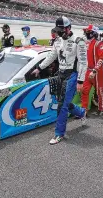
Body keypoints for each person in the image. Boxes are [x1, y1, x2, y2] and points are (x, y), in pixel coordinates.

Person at [30, 16, 87, 145]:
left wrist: (80, 81)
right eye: (58, 30)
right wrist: (39, 68)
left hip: (72, 75)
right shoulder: (57, 41)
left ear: (69, 28)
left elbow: (83, 62)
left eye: (61, 30)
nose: (59, 32)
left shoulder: (79, 41)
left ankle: (59, 133)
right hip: (60, 74)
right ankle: (82, 112)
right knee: (62, 101)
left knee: (61, 105)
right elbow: (51, 56)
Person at [81, 25, 103, 116]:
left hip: (97, 72)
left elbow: (101, 58)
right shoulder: (85, 43)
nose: (86, 33)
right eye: (86, 31)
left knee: (99, 90)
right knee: (84, 90)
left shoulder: (99, 43)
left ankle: (101, 108)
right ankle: (84, 111)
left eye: (88, 31)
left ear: (93, 33)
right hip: (87, 70)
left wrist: (95, 70)